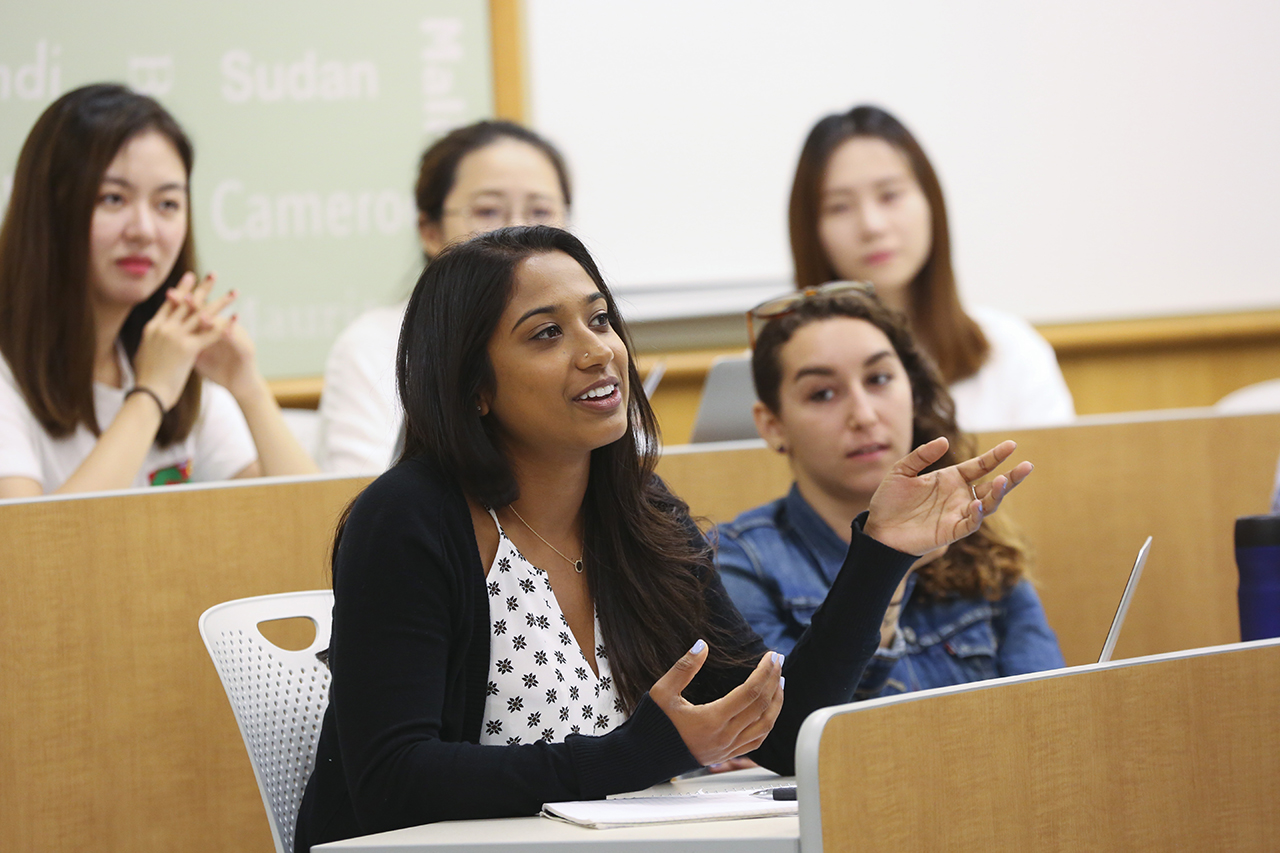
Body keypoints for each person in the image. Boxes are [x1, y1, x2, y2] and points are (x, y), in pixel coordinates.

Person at [294, 225, 1034, 848]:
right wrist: (632, 754)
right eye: (547, 333)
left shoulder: (640, 513)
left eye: (601, 319)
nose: (597, 351)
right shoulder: (408, 521)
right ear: (473, 386)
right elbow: (393, 783)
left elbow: (774, 730)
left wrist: (879, 555)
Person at [717, 286, 1063, 699]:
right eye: (822, 393)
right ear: (773, 424)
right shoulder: (737, 563)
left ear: (912, 392)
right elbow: (798, 737)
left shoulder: (977, 537)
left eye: (879, 379)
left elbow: (1048, 713)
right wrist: (882, 571)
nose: (863, 415)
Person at [0, 84, 317, 497]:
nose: (144, 231)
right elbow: (31, 551)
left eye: (167, 204)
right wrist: (149, 396)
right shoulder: (12, 374)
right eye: (113, 199)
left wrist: (249, 390)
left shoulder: (170, 358)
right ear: (50, 208)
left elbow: (312, 527)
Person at [788, 104, 1075, 432]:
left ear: (930, 203)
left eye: (890, 195)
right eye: (839, 206)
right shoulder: (778, 371)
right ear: (810, 229)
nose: (872, 225)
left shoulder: (1011, 351)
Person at [318, 120, 571, 474]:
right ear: (431, 231)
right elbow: (360, 500)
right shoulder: (371, 347)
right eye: (487, 211)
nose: (518, 232)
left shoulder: (591, 341)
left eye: (541, 212)